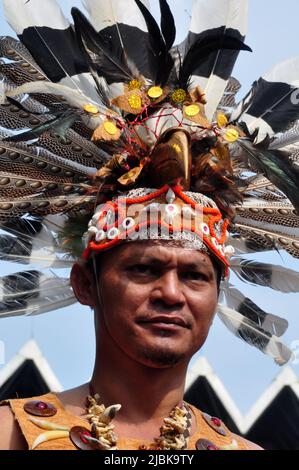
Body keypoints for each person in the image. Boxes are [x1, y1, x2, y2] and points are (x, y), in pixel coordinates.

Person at [0, 0, 298, 451]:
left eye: (195, 275)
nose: (172, 293)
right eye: (144, 269)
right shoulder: (10, 436)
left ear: (218, 292)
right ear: (85, 283)